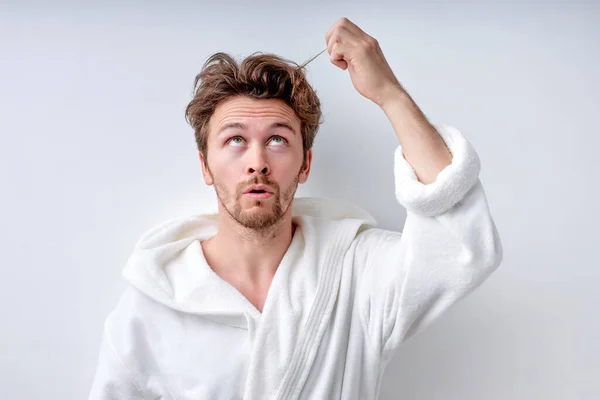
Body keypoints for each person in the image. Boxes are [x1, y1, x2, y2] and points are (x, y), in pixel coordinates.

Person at [89, 17, 503, 400]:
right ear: (205, 167)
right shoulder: (152, 305)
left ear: (305, 164)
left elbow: (460, 247)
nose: (257, 162)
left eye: (278, 140)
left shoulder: (355, 274)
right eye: (235, 140)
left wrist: (389, 93)